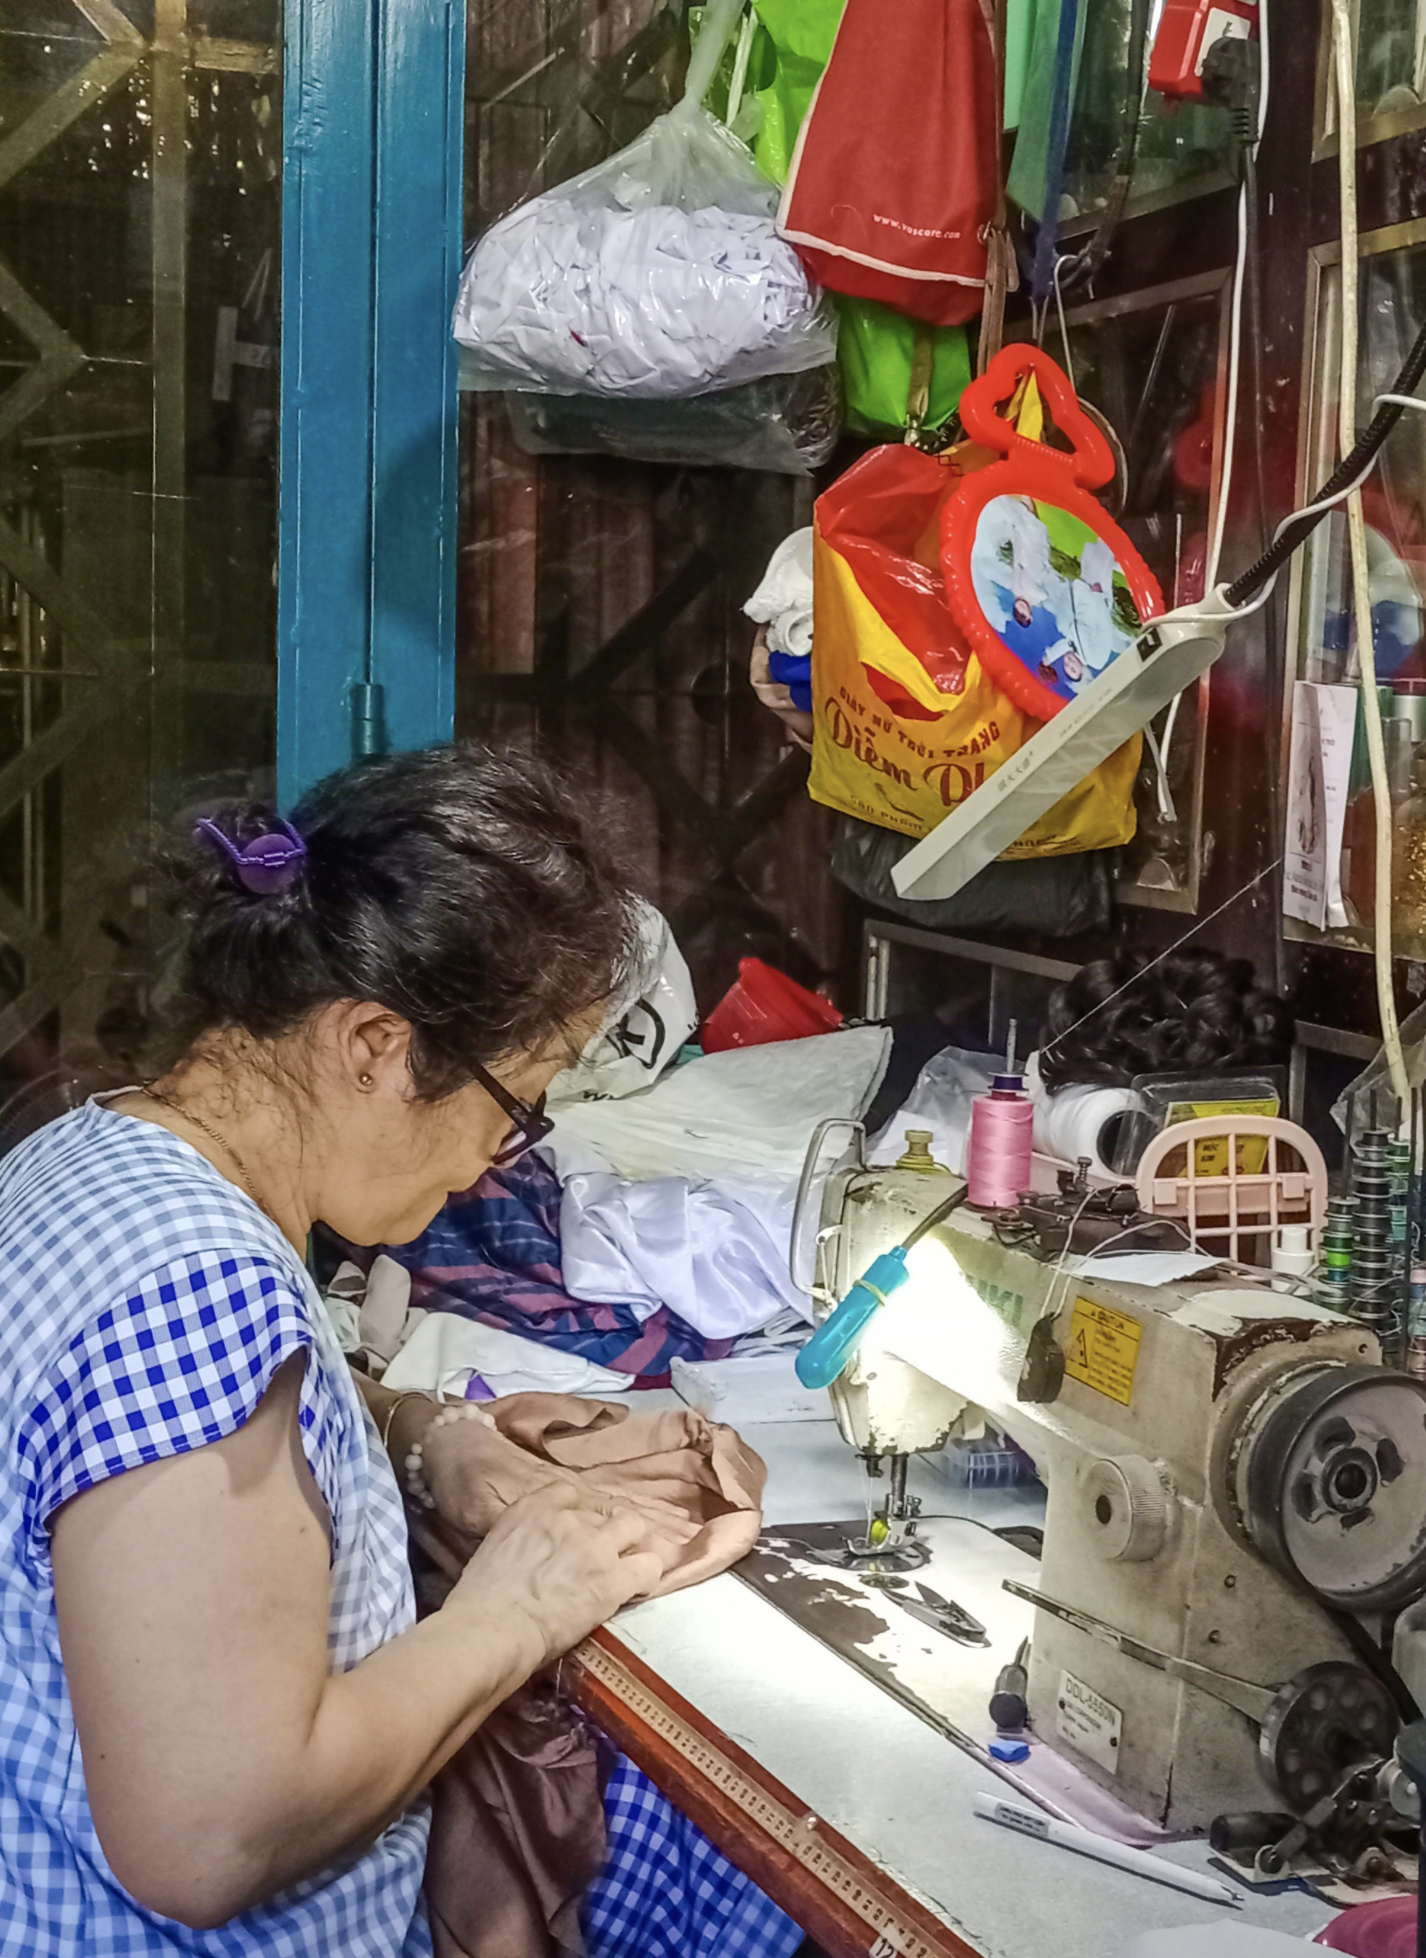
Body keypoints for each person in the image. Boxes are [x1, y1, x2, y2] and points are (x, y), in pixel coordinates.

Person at [0, 744, 801, 1956]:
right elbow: (213, 1834)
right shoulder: (201, 1287)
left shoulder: (94, 1157)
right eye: (516, 1098)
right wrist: (522, 1601)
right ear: (375, 1043)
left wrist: (433, 1438)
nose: (508, 1152)